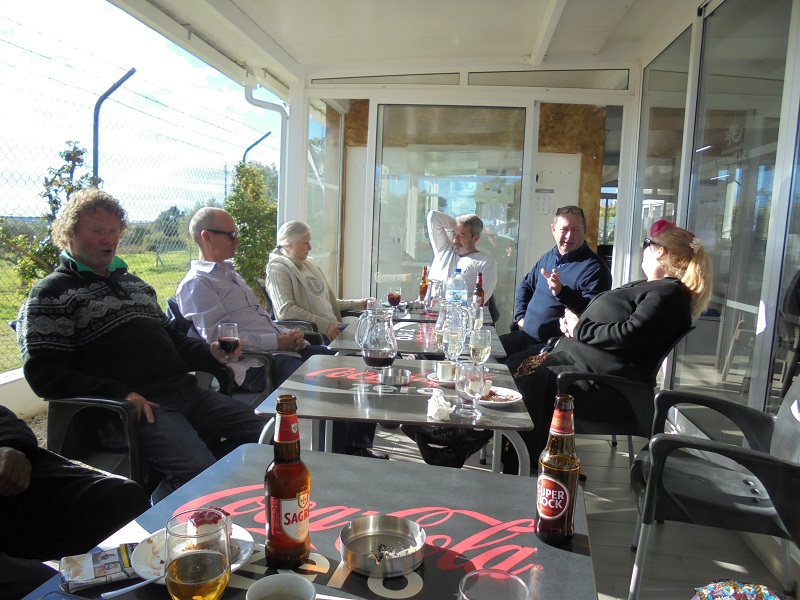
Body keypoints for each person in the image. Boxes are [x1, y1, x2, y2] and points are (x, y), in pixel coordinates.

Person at [17, 189, 268, 504]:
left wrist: (210, 353)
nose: (108, 239)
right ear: (69, 234)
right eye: (97, 231)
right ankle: (158, 510)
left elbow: (172, 338)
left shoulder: (134, 285)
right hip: (132, 411)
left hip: (186, 393)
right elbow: (44, 373)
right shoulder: (51, 294)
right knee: (203, 474)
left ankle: (179, 488)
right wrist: (119, 393)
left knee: (271, 434)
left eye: (114, 231)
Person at [502, 219, 713, 473]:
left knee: (521, 385)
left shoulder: (668, 295)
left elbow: (628, 336)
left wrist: (580, 329)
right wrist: (574, 321)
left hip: (601, 386)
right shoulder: (652, 288)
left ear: (661, 252)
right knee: (510, 371)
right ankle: (505, 454)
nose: (643, 249)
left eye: (647, 244)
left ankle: (519, 465)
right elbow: (612, 325)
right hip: (578, 364)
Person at [178, 209, 387, 459]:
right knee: (332, 383)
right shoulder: (197, 284)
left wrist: (289, 335)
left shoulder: (229, 273)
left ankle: (354, 448)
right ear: (206, 236)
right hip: (257, 364)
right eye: (231, 235)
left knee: (356, 367)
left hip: (281, 350)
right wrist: (277, 342)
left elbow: (261, 320)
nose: (237, 240)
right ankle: (337, 457)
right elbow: (221, 341)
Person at [0, 405, 149, 599]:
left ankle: (148, 583)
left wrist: (10, 445)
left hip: (11, 492)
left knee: (122, 497)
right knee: (42, 587)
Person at [500, 205, 612, 374]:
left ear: (585, 231)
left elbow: (591, 313)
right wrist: (520, 316)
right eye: (564, 229)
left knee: (509, 368)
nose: (569, 235)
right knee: (488, 350)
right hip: (524, 335)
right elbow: (525, 285)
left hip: (553, 348)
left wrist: (561, 292)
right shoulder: (549, 257)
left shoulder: (594, 269)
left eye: (575, 230)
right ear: (553, 230)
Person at [266, 220, 368, 343]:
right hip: (313, 336)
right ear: (289, 245)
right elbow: (286, 310)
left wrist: (361, 304)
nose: (310, 247)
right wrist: (324, 326)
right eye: (306, 243)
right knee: (371, 339)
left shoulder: (308, 265)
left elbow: (325, 302)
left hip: (333, 328)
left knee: (374, 333)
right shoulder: (277, 270)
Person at [427, 209, 498, 300]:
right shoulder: (444, 249)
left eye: (461, 235)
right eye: (454, 233)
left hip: (457, 309)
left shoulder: (485, 262)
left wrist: (449, 304)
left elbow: (479, 299)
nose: (455, 240)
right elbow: (433, 216)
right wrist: (458, 225)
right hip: (428, 307)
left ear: (476, 238)